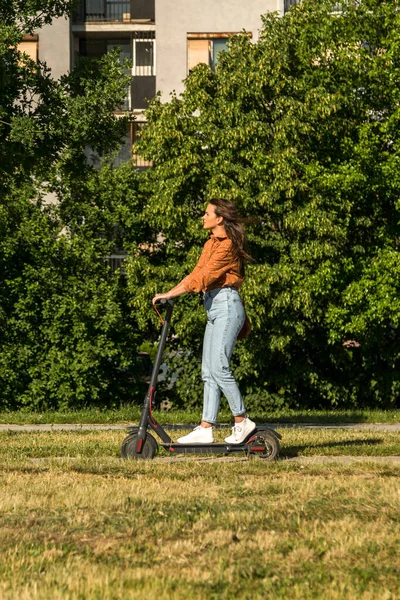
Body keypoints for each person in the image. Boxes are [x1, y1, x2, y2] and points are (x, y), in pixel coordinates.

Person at [152, 198, 256, 444]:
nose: (202, 216)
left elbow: (205, 277)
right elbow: (196, 273)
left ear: (219, 218)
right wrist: (168, 293)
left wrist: (170, 294)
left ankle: (242, 421)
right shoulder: (211, 243)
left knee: (219, 366)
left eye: (206, 213)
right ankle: (206, 427)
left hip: (227, 306)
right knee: (208, 371)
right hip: (213, 307)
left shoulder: (228, 245)